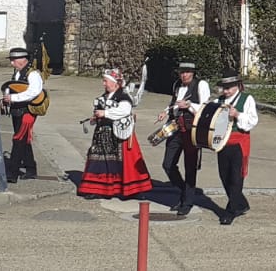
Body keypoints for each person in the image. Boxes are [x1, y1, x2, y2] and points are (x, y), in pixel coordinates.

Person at [79, 69, 154, 199]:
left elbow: (125, 110)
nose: (103, 84)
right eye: (104, 81)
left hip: (120, 135)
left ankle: (133, 190)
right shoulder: (104, 97)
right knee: (99, 160)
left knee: (127, 162)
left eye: (106, 81)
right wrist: (96, 117)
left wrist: (105, 113)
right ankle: (98, 189)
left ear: (115, 83)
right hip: (102, 134)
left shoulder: (123, 97)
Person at [157, 62, 208, 215]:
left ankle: (188, 201)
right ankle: (183, 192)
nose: (184, 75)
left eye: (187, 72)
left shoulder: (201, 85)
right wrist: (166, 111)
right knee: (168, 164)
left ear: (193, 73)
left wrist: (190, 105)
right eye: (181, 72)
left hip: (191, 129)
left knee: (190, 166)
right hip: (175, 128)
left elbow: (206, 107)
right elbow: (173, 103)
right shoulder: (177, 86)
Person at [213, 75, 259, 225]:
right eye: (224, 88)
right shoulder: (218, 101)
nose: (225, 91)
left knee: (236, 177)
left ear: (237, 86)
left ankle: (231, 210)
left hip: (239, 142)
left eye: (229, 88)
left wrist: (237, 114)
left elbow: (252, 120)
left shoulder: (247, 99)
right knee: (224, 175)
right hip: (222, 142)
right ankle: (241, 203)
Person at [0, 47, 43, 182]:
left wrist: (13, 99)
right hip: (17, 111)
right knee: (23, 140)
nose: (12, 63)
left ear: (23, 60)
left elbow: (33, 92)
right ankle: (30, 169)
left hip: (27, 112)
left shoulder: (33, 74)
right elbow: (11, 87)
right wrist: (5, 98)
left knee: (18, 140)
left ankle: (12, 174)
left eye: (14, 60)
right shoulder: (17, 73)